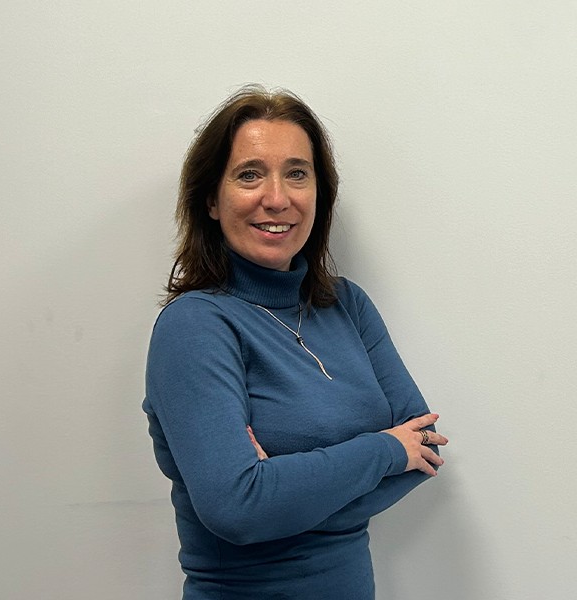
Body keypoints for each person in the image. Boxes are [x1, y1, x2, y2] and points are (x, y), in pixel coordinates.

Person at [143, 85, 448, 599]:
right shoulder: (194, 327)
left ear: (318, 193)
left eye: (297, 174)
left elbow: (427, 448)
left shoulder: (348, 305)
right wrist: (384, 449)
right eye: (249, 174)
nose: (277, 198)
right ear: (211, 199)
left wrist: (281, 494)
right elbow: (237, 509)